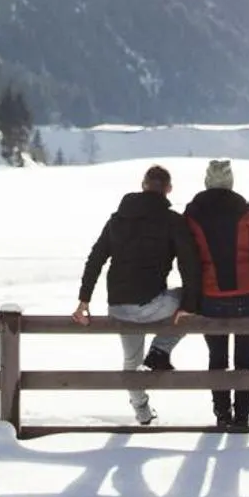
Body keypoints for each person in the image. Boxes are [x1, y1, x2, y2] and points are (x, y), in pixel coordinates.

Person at [74, 164, 199, 425]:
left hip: (118, 305)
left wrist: (84, 300)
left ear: (143, 185)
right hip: (152, 303)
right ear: (168, 189)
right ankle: (159, 351)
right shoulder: (173, 221)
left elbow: (96, 259)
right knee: (193, 303)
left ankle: (141, 411)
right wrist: (188, 303)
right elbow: (189, 263)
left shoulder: (117, 219)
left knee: (131, 360)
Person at [184, 158, 249, 430]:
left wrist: (192, 298)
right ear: (230, 182)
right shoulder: (247, 212)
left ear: (206, 181)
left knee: (217, 358)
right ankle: (242, 417)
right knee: (246, 360)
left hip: (211, 298)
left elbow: (189, 260)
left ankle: (221, 414)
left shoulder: (192, 213)